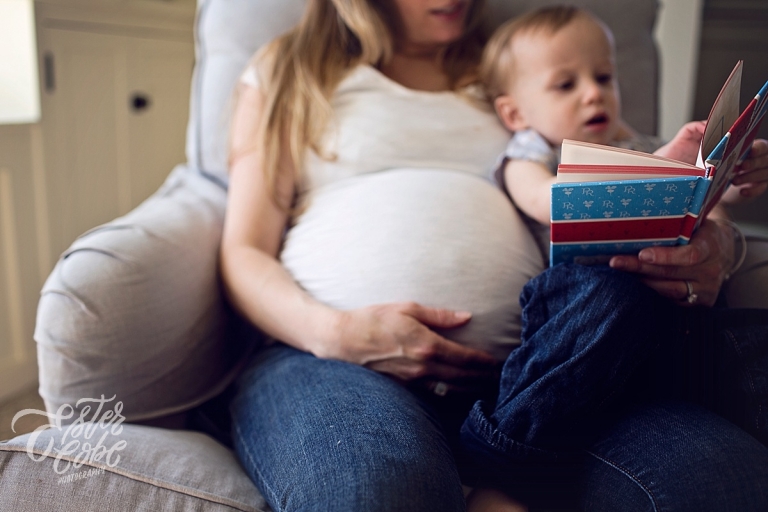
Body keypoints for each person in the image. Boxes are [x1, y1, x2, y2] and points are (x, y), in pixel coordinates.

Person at [219, 1, 768, 511]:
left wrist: (715, 244)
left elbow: (636, 164)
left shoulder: (519, 65)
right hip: (328, 360)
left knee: (723, 481)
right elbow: (243, 250)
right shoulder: (292, 69)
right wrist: (336, 332)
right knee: (381, 492)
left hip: (545, 377)